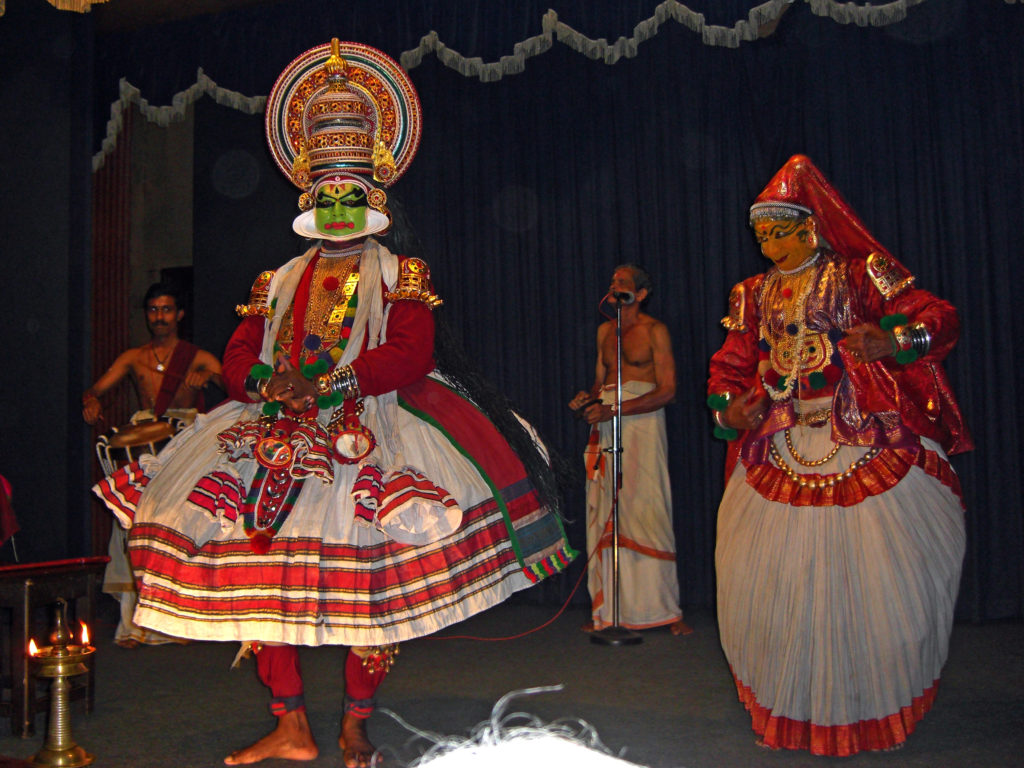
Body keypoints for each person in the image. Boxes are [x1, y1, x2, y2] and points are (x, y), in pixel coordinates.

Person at [93, 40, 574, 768]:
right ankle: (289, 721)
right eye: (328, 197)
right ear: (309, 202)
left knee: (370, 590)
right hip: (273, 432)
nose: (339, 209)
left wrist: (330, 385)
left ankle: (355, 721)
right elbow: (238, 353)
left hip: (368, 428)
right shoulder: (277, 279)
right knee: (258, 580)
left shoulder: (400, 273)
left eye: (352, 196)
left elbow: (409, 354)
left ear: (374, 201)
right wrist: (266, 384)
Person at [707, 155, 971, 755]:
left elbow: (940, 317)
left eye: (779, 232)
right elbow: (729, 366)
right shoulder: (751, 294)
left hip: (863, 438)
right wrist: (728, 410)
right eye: (760, 236)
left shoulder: (861, 274)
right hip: (782, 445)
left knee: (880, 581)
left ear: (810, 226)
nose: (768, 245)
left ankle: (869, 703)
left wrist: (893, 340)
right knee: (768, 581)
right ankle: (796, 705)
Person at [83, 281, 223, 648]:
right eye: (153, 310)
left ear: (179, 314)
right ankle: (133, 624)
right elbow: (96, 389)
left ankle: (177, 620)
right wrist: (91, 401)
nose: (159, 316)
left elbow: (236, 388)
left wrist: (209, 377)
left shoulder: (197, 357)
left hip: (183, 447)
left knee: (175, 529)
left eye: (166, 309)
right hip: (146, 448)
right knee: (134, 525)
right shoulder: (133, 357)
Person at [569, 265, 690, 636]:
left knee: (647, 509)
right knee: (605, 510)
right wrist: (588, 401)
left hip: (643, 424)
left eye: (622, 282)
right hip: (607, 423)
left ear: (640, 293)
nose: (614, 286)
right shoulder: (604, 331)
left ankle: (666, 611)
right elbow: (600, 383)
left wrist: (616, 409)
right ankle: (608, 610)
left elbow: (667, 390)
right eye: (612, 282)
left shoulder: (655, 330)